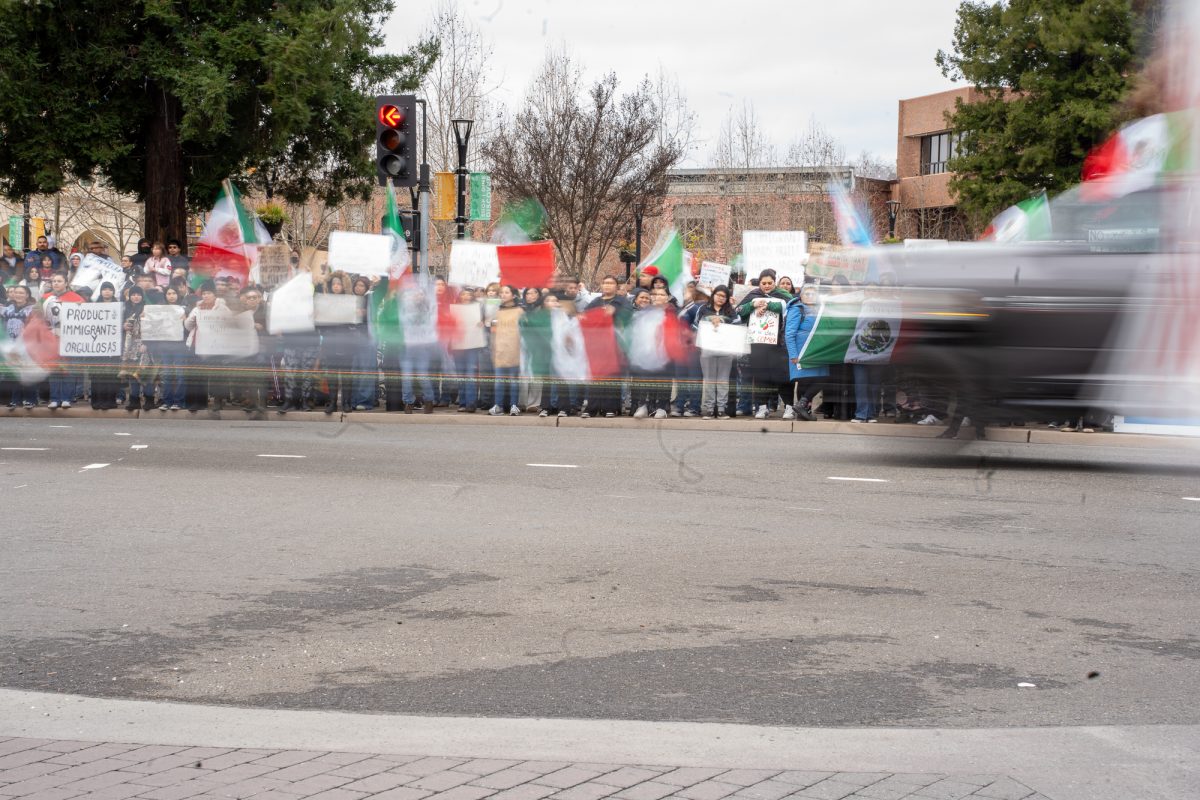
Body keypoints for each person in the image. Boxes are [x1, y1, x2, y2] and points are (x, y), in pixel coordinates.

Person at [736, 268, 794, 420]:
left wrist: (768, 305)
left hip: (779, 344)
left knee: (783, 376)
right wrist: (753, 305)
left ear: (775, 283)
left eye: (770, 283)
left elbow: (791, 307)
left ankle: (789, 407)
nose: (766, 286)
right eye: (763, 283)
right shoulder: (753, 295)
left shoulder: (783, 295)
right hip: (758, 345)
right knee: (761, 375)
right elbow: (739, 310)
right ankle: (762, 407)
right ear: (759, 283)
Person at [583, 275, 628, 418]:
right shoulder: (595, 302)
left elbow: (628, 317)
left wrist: (615, 311)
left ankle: (610, 407)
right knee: (596, 375)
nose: (607, 286)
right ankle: (593, 408)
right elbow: (586, 317)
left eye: (611, 283)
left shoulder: (622, 301)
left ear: (616, 286)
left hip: (615, 343)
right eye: (605, 283)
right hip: (597, 344)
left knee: (612, 375)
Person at [695, 285, 740, 419]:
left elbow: (738, 325)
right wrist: (709, 322)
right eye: (718, 295)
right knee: (709, 379)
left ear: (727, 298)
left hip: (725, 349)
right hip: (707, 349)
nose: (720, 298)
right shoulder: (703, 309)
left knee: (723, 380)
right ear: (713, 294)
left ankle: (721, 409)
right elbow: (695, 325)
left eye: (724, 296)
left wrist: (723, 321)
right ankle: (709, 409)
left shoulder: (731, 311)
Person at [783, 283, 826, 421]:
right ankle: (803, 407)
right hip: (802, 352)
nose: (810, 296)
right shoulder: (797, 310)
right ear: (801, 296)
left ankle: (803, 410)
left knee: (819, 379)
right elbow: (789, 334)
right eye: (807, 293)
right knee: (805, 381)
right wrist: (794, 355)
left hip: (817, 352)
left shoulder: (821, 310)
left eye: (813, 293)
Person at [488, 285, 524, 416]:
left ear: (513, 295)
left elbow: (524, 332)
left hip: (515, 350)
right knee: (499, 381)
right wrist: (493, 348)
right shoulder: (497, 311)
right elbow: (492, 332)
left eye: (506, 292)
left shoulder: (520, 311)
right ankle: (498, 405)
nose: (503, 295)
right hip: (499, 351)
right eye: (501, 292)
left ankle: (514, 405)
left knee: (514, 381)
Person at [449, 287, 485, 413]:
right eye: (463, 294)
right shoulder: (454, 309)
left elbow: (486, 321)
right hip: (458, 346)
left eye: (469, 294)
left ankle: (471, 403)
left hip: (472, 346)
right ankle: (462, 402)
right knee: (461, 375)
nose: (466, 296)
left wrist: (482, 322)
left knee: (470, 375)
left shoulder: (478, 308)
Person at [153, 285, 189, 410]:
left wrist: (185, 321)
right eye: (168, 293)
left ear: (178, 295)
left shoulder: (185, 309)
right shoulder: (161, 309)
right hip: (165, 345)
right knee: (167, 374)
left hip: (180, 345)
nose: (171, 296)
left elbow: (190, 328)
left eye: (174, 293)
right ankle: (167, 402)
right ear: (165, 295)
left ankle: (179, 402)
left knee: (180, 374)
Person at [1, 285, 38, 408]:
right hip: (12, 346)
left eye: (21, 293)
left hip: (27, 346)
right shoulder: (8, 309)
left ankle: (31, 400)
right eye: (16, 292)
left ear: (27, 295)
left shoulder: (32, 309)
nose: (18, 295)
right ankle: (15, 400)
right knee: (15, 374)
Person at [116, 285, 150, 411]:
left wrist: (146, 343)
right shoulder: (125, 309)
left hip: (143, 345)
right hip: (128, 345)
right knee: (131, 375)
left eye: (138, 294)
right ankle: (134, 400)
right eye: (133, 295)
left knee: (144, 374)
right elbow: (114, 325)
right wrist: (122, 326)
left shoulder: (147, 309)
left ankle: (149, 400)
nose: (136, 297)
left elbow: (152, 328)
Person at [348, 276, 378, 411]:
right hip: (353, 340)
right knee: (355, 371)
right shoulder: (350, 299)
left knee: (366, 371)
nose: (358, 288)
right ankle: (354, 401)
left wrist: (376, 284)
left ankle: (365, 401)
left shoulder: (370, 298)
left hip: (367, 339)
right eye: (357, 285)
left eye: (361, 285)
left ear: (366, 287)